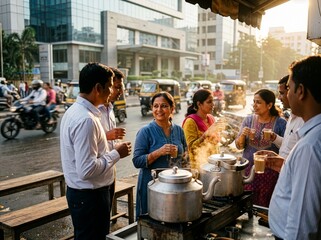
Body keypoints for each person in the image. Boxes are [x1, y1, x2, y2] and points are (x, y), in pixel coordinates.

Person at [60, 63, 132, 240]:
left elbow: (92, 154)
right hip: (90, 197)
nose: (112, 91)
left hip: (87, 195)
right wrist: (117, 153)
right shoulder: (86, 120)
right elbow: (86, 170)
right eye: (109, 86)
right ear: (98, 88)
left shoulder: (77, 112)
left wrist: (113, 148)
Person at [269, 55, 321, 240]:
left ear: (300, 91)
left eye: (289, 88)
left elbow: (302, 225)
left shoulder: (311, 146)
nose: (286, 95)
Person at [132, 92, 188, 219]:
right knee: (150, 222)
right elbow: (137, 161)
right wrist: (158, 153)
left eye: (164, 106)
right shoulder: (145, 132)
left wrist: (178, 156)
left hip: (174, 186)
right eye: (155, 106)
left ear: (172, 109)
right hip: (151, 186)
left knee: (172, 219)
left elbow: (186, 158)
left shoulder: (179, 131)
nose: (159, 110)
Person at [235, 89, 286, 207]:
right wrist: (243, 135)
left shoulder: (281, 123)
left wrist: (274, 137)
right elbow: (239, 146)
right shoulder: (248, 120)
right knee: (247, 204)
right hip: (249, 173)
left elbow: (286, 148)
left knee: (266, 207)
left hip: (270, 175)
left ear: (269, 105)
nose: (254, 105)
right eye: (253, 102)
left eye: (258, 102)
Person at [98, 67, 126, 212]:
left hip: (109, 173)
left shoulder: (109, 109)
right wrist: (107, 135)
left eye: (121, 87)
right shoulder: (92, 111)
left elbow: (110, 143)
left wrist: (117, 146)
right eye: (116, 87)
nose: (119, 91)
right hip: (95, 181)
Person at [182, 89, 220, 170]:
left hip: (214, 164)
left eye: (213, 101)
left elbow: (215, 142)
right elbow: (191, 148)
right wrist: (206, 134)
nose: (213, 104)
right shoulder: (190, 122)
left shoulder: (211, 118)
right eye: (209, 102)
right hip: (199, 166)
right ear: (199, 104)